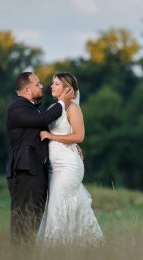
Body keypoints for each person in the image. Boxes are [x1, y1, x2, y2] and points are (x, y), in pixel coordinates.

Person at [5, 72, 74, 244]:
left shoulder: (32, 106)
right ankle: (18, 256)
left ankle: (28, 253)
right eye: (38, 84)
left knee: (36, 215)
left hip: (36, 170)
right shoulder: (17, 107)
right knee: (22, 216)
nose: (42, 86)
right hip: (23, 169)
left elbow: (49, 131)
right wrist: (61, 104)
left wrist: (72, 144)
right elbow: (41, 120)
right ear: (27, 89)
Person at [37, 72, 103, 246]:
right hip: (53, 168)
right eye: (52, 83)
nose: (51, 86)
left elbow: (79, 136)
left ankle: (58, 247)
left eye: (56, 84)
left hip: (68, 166)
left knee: (58, 207)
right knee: (54, 206)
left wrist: (52, 136)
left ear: (67, 89)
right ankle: (71, 246)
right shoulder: (53, 108)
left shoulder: (74, 109)